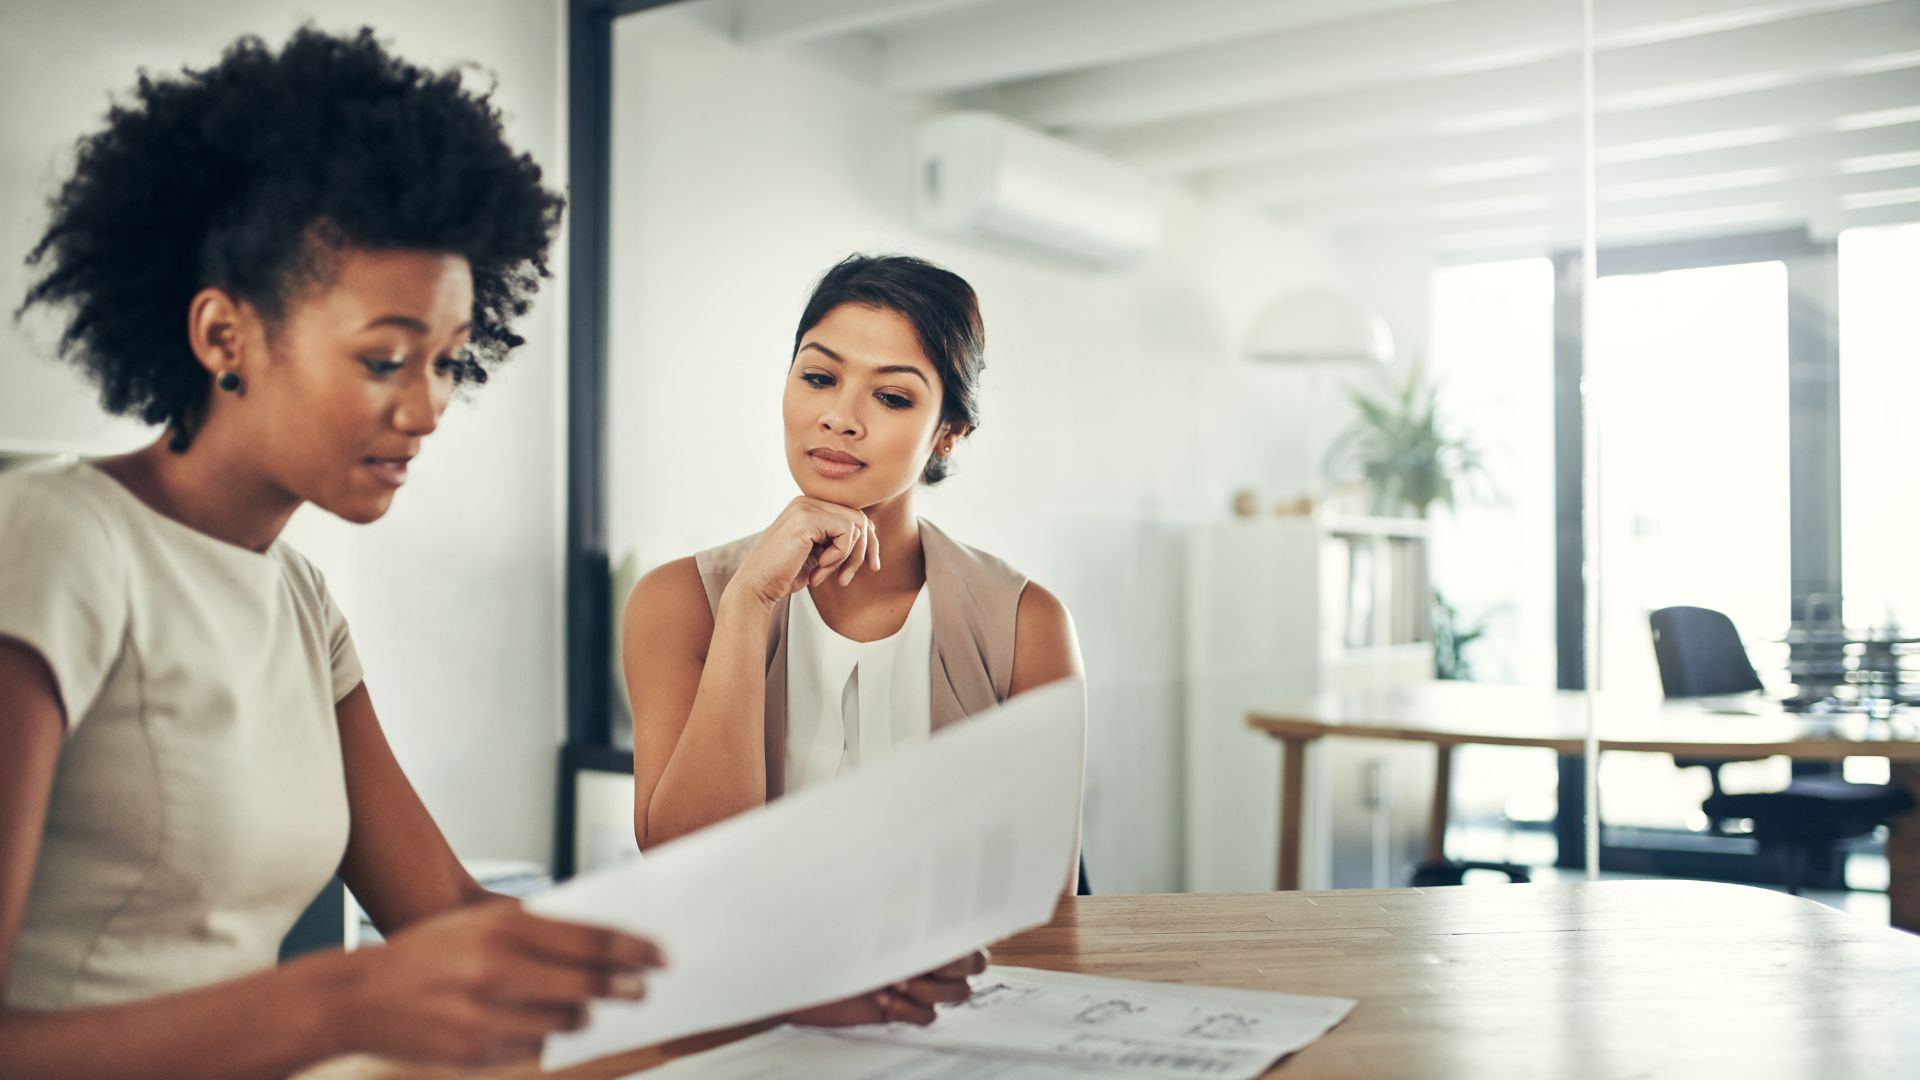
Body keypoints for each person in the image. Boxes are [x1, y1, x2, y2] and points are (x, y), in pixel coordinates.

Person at [0, 28, 663, 1076]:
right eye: (387, 358)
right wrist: (342, 1002)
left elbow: (445, 912)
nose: (431, 407)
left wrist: (782, 975)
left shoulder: (298, 598)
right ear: (225, 337)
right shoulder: (55, 542)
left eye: (450, 361)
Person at [621, 255, 1087, 1023]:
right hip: (738, 1023)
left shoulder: (1026, 623)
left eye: (893, 395)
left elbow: (1041, 907)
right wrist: (748, 607)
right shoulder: (679, 602)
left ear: (948, 434)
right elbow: (686, 867)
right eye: (818, 378)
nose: (840, 416)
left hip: (951, 1025)